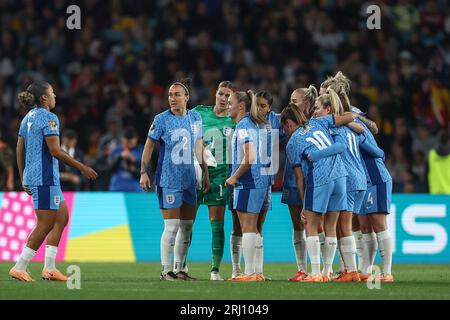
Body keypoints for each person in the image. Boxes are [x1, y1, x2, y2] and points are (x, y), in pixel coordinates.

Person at [10, 81, 97, 282]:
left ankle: (49, 268)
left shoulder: (27, 118)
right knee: (46, 223)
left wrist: (23, 175)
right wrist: (81, 167)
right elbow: (55, 151)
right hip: (44, 178)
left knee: (61, 217)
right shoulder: (50, 118)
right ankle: (19, 266)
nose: (55, 95)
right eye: (52, 92)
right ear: (44, 98)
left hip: (40, 177)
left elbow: (18, 149)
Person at [139, 78, 210, 281]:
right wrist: (144, 172)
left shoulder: (196, 118)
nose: (172, 98)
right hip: (168, 179)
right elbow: (148, 146)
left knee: (187, 227)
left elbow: (199, 147)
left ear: (187, 97)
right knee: (171, 227)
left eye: (177, 94)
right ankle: (165, 270)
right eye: (170, 94)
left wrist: (205, 172)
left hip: (189, 180)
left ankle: (181, 269)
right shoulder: (161, 119)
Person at [312, 89, 384, 282]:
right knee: (349, 226)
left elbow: (338, 147)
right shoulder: (352, 128)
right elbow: (373, 146)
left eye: (318, 108)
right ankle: (352, 269)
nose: (314, 112)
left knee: (344, 227)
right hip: (361, 178)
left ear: (329, 109)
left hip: (347, 179)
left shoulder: (332, 129)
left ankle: (351, 271)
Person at [282, 98, 356, 282]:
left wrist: (304, 206)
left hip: (320, 176)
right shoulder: (318, 122)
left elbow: (299, 178)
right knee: (330, 226)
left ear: (288, 123)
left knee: (311, 225)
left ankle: (315, 273)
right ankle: (326, 272)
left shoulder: (293, 142)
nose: (285, 132)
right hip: (340, 175)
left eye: (284, 129)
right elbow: (349, 116)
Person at [225, 90, 272, 282]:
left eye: (230, 103)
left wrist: (234, 177)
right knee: (254, 229)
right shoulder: (256, 124)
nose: (228, 106)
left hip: (248, 182)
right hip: (261, 182)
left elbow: (250, 157)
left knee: (248, 229)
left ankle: (250, 273)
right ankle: (257, 272)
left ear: (241, 106)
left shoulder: (244, 125)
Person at [192, 81, 237, 281]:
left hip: (220, 177)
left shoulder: (235, 121)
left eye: (228, 95)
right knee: (185, 224)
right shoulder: (199, 113)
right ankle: (179, 267)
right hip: (196, 175)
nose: (223, 98)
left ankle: (215, 270)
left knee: (217, 225)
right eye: (221, 93)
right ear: (215, 94)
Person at [284, 86, 318, 281]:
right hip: (291, 177)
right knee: (297, 225)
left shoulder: (317, 123)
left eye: (295, 100)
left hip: (315, 179)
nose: (291, 104)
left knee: (316, 225)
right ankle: (302, 269)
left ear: (307, 103)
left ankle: (320, 269)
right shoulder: (287, 122)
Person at [109, 127, 144, 192]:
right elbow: (110, 169)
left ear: (136, 139)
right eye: (127, 140)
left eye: (131, 140)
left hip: (136, 189)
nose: (128, 143)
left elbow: (147, 172)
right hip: (117, 187)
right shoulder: (116, 150)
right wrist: (120, 157)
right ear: (122, 139)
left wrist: (132, 163)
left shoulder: (141, 150)